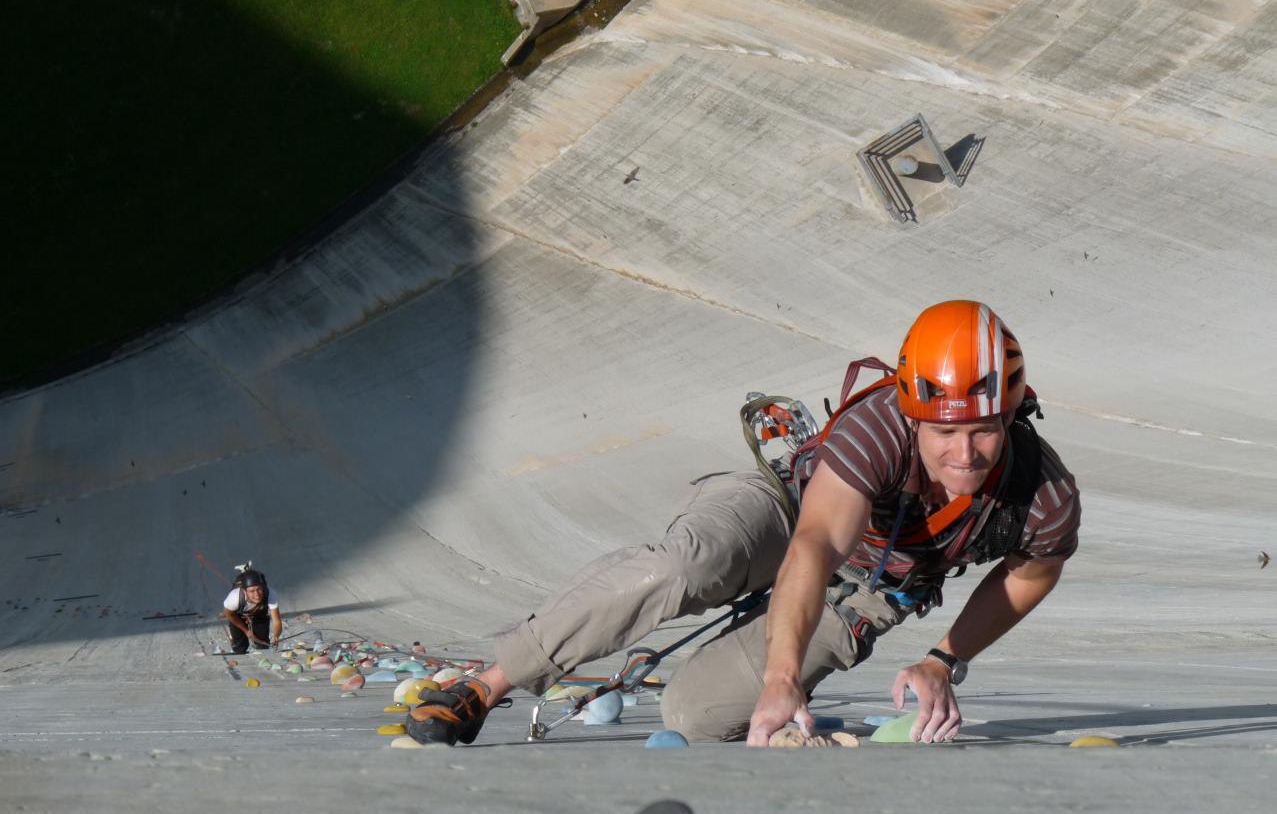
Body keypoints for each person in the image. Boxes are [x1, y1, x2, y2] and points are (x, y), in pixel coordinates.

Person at [405, 300, 1080, 747]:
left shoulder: (1043, 494)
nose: (963, 453)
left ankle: (743, 666)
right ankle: (483, 685)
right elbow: (814, 547)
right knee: (686, 567)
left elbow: (1032, 571)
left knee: (695, 715)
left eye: (984, 431)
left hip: (879, 583)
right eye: (941, 432)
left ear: (1012, 413)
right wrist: (783, 677)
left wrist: (944, 658)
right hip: (787, 512)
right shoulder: (878, 431)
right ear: (911, 416)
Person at [222, 565, 283, 654]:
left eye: (259, 589)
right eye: (252, 591)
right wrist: (246, 631)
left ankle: (246, 570)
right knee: (240, 649)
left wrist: (276, 637)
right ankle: (236, 640)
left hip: (259, 614)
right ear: (244, 591)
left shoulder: (270, 593)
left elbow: (277, 620)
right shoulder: (234, 597)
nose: (257, 594)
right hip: (239, 617)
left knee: (263, 647)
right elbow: (228, 614)